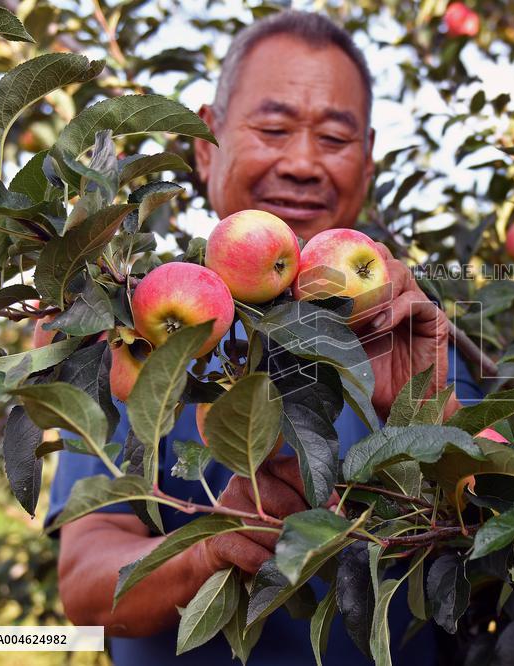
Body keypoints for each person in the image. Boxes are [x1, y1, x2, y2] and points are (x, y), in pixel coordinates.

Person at [46, 11, 484, 665]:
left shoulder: (406, 326)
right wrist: (211, 548)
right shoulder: (137, 329)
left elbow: (512, 538)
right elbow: (84, 583)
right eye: (273, 128)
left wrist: (427, 412)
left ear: (367, 160)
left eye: (334, 138)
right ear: (206, 142)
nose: (303, 163)